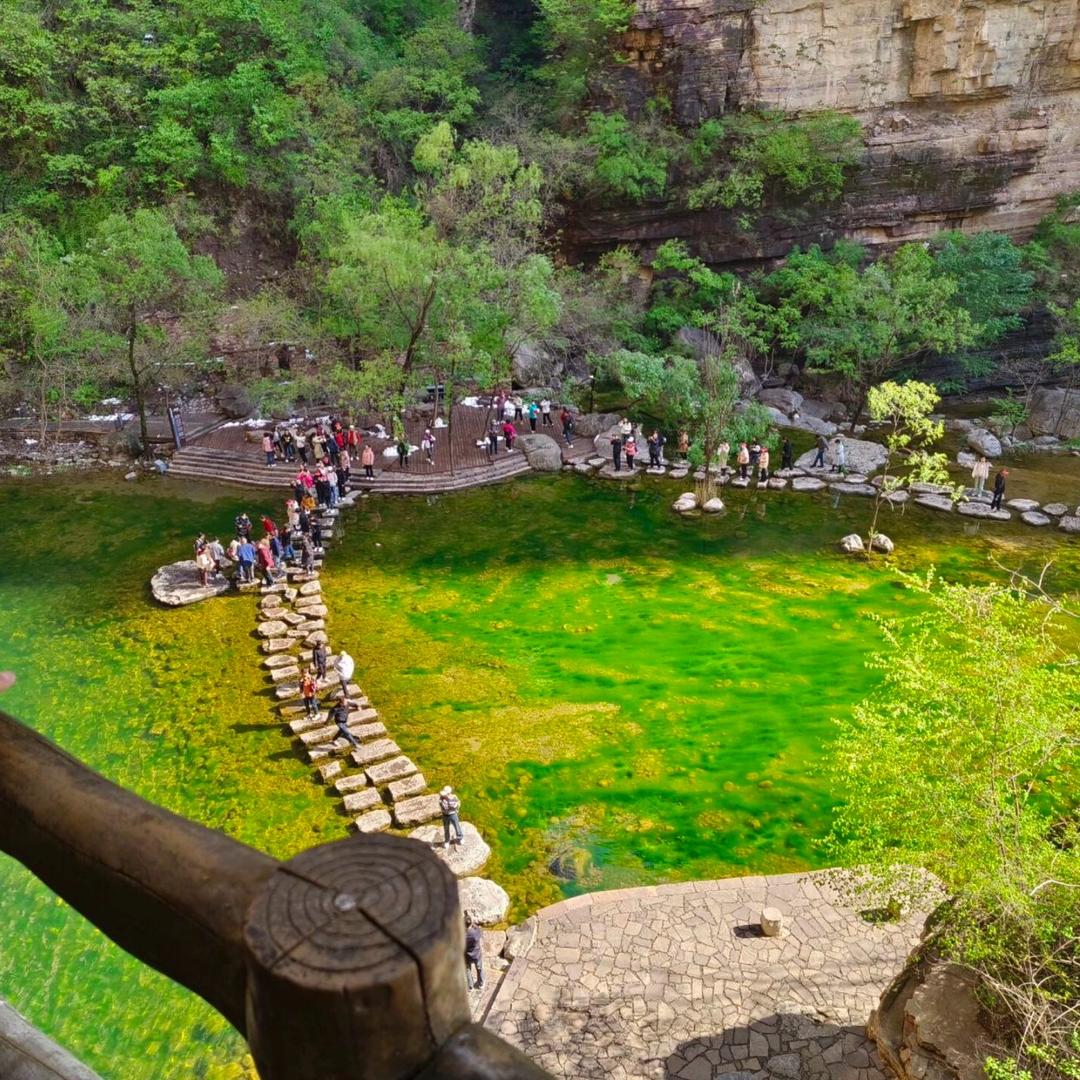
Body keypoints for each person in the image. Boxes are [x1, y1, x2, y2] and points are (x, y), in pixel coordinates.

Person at [464, 913, 484, 990]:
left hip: (466, 955)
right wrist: (474, 925)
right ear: (471, 923)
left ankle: (470, 986)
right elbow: (480, 931)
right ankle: (481, 984)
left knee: (468, 970)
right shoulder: (475, 933)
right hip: (477, 954)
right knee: (479, 969)